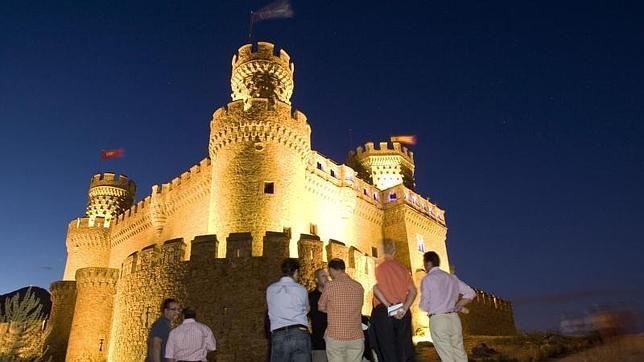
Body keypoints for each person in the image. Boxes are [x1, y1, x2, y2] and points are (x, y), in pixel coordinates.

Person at [419, 251, 475, 362]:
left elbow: (424, 305)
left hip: (438, 319)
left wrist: (425, 306)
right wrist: (458, 305)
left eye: (424, 263)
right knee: (460, 353)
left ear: (429, 263)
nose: (424, 267)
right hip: (454, 319)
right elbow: (471, 293)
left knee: (447, 356)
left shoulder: (428, 279)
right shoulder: (452, 278)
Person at [371, 240, 417, 362]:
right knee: (405, 351)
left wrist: (390, 307)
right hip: (403, 312)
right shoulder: (403, 269)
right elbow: (413, 291)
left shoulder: (378, 267)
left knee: (387, 351)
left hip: (384, 312)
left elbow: (375, 288)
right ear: (394, 251)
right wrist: (404, 308)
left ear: (381, 251)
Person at [319, 258, 364, 362]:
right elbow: (359, 306)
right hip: (356, 337)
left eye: (329, 272)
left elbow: (321, 306)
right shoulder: (359, 287)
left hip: (336, 336)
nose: (329, 275)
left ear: (331, 269)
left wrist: (331, 310)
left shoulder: (330, 286)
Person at [267, 258, 311, 362]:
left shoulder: (270, 289)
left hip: (278, 334)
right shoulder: (301, 289)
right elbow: (307, 309)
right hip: (299, 334)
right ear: (296, 271)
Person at [146, 298, 180, 362]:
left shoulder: (167, 324)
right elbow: (155, 346)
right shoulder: (161, 324)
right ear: (166, 311)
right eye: (174, 309)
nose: (177, 312)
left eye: (178, 309)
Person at [308, 268, 329, 362]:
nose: (327, 278)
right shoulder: (311, 297)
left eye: (327, 276)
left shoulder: (333, 295)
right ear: (316, 280)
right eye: (323, 276)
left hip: (335, 342)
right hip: (318, 343)